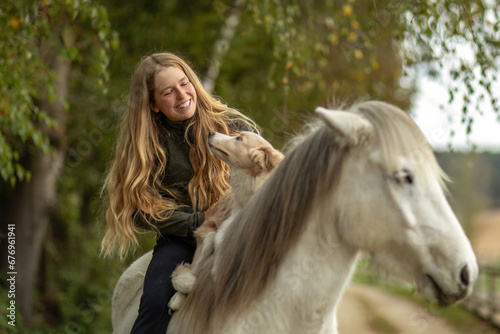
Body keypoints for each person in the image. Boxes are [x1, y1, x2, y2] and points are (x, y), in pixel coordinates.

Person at [100, 52, 259, 333]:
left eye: (185, 84)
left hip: (241, 231)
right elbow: (140, 210)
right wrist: (197, 220)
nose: (182, 95)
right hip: (182, 242)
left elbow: (264, 174)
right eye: (168, 92)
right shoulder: (146, 146)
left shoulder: (232, 126)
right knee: (155, 301)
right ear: (153, 104)